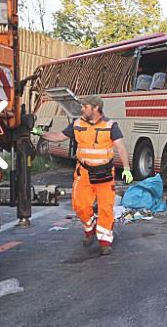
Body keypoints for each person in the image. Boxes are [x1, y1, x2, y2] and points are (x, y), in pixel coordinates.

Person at [32, 96, 133, 255]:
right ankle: (90, 227)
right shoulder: (77, 124)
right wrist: (40, 133)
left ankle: (105, 242)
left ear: (95, 108)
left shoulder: (110, 126)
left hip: (105, 174)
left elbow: (121, 147)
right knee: (80, 206)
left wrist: (126, 168)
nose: (82, 109)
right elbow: (59, 137)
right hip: (84, 172)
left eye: (85, 107)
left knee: (106, 208)